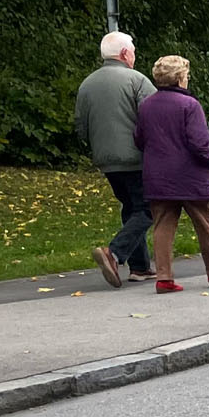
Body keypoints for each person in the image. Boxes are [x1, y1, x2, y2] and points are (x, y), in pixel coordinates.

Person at [134, 55, 209, 293]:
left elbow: (139, 139)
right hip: (190, 175)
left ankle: (164, 277)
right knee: (205, 224)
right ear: (180, 78)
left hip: (158, 175)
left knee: (162, 224)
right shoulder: (190, 105)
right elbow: (199, 143)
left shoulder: (146, 105)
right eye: (186, 76)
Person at [74, 31, 157, 287]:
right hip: (135, 157)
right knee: (148, 209)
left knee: (131, 207)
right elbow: (154, 119)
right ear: (124, 54)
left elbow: (81, 127)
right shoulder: (137, 80)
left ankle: (140, 266)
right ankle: (114, 253)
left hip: (106, 160)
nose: (134, 55)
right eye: (132, 50)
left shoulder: (87, 84)